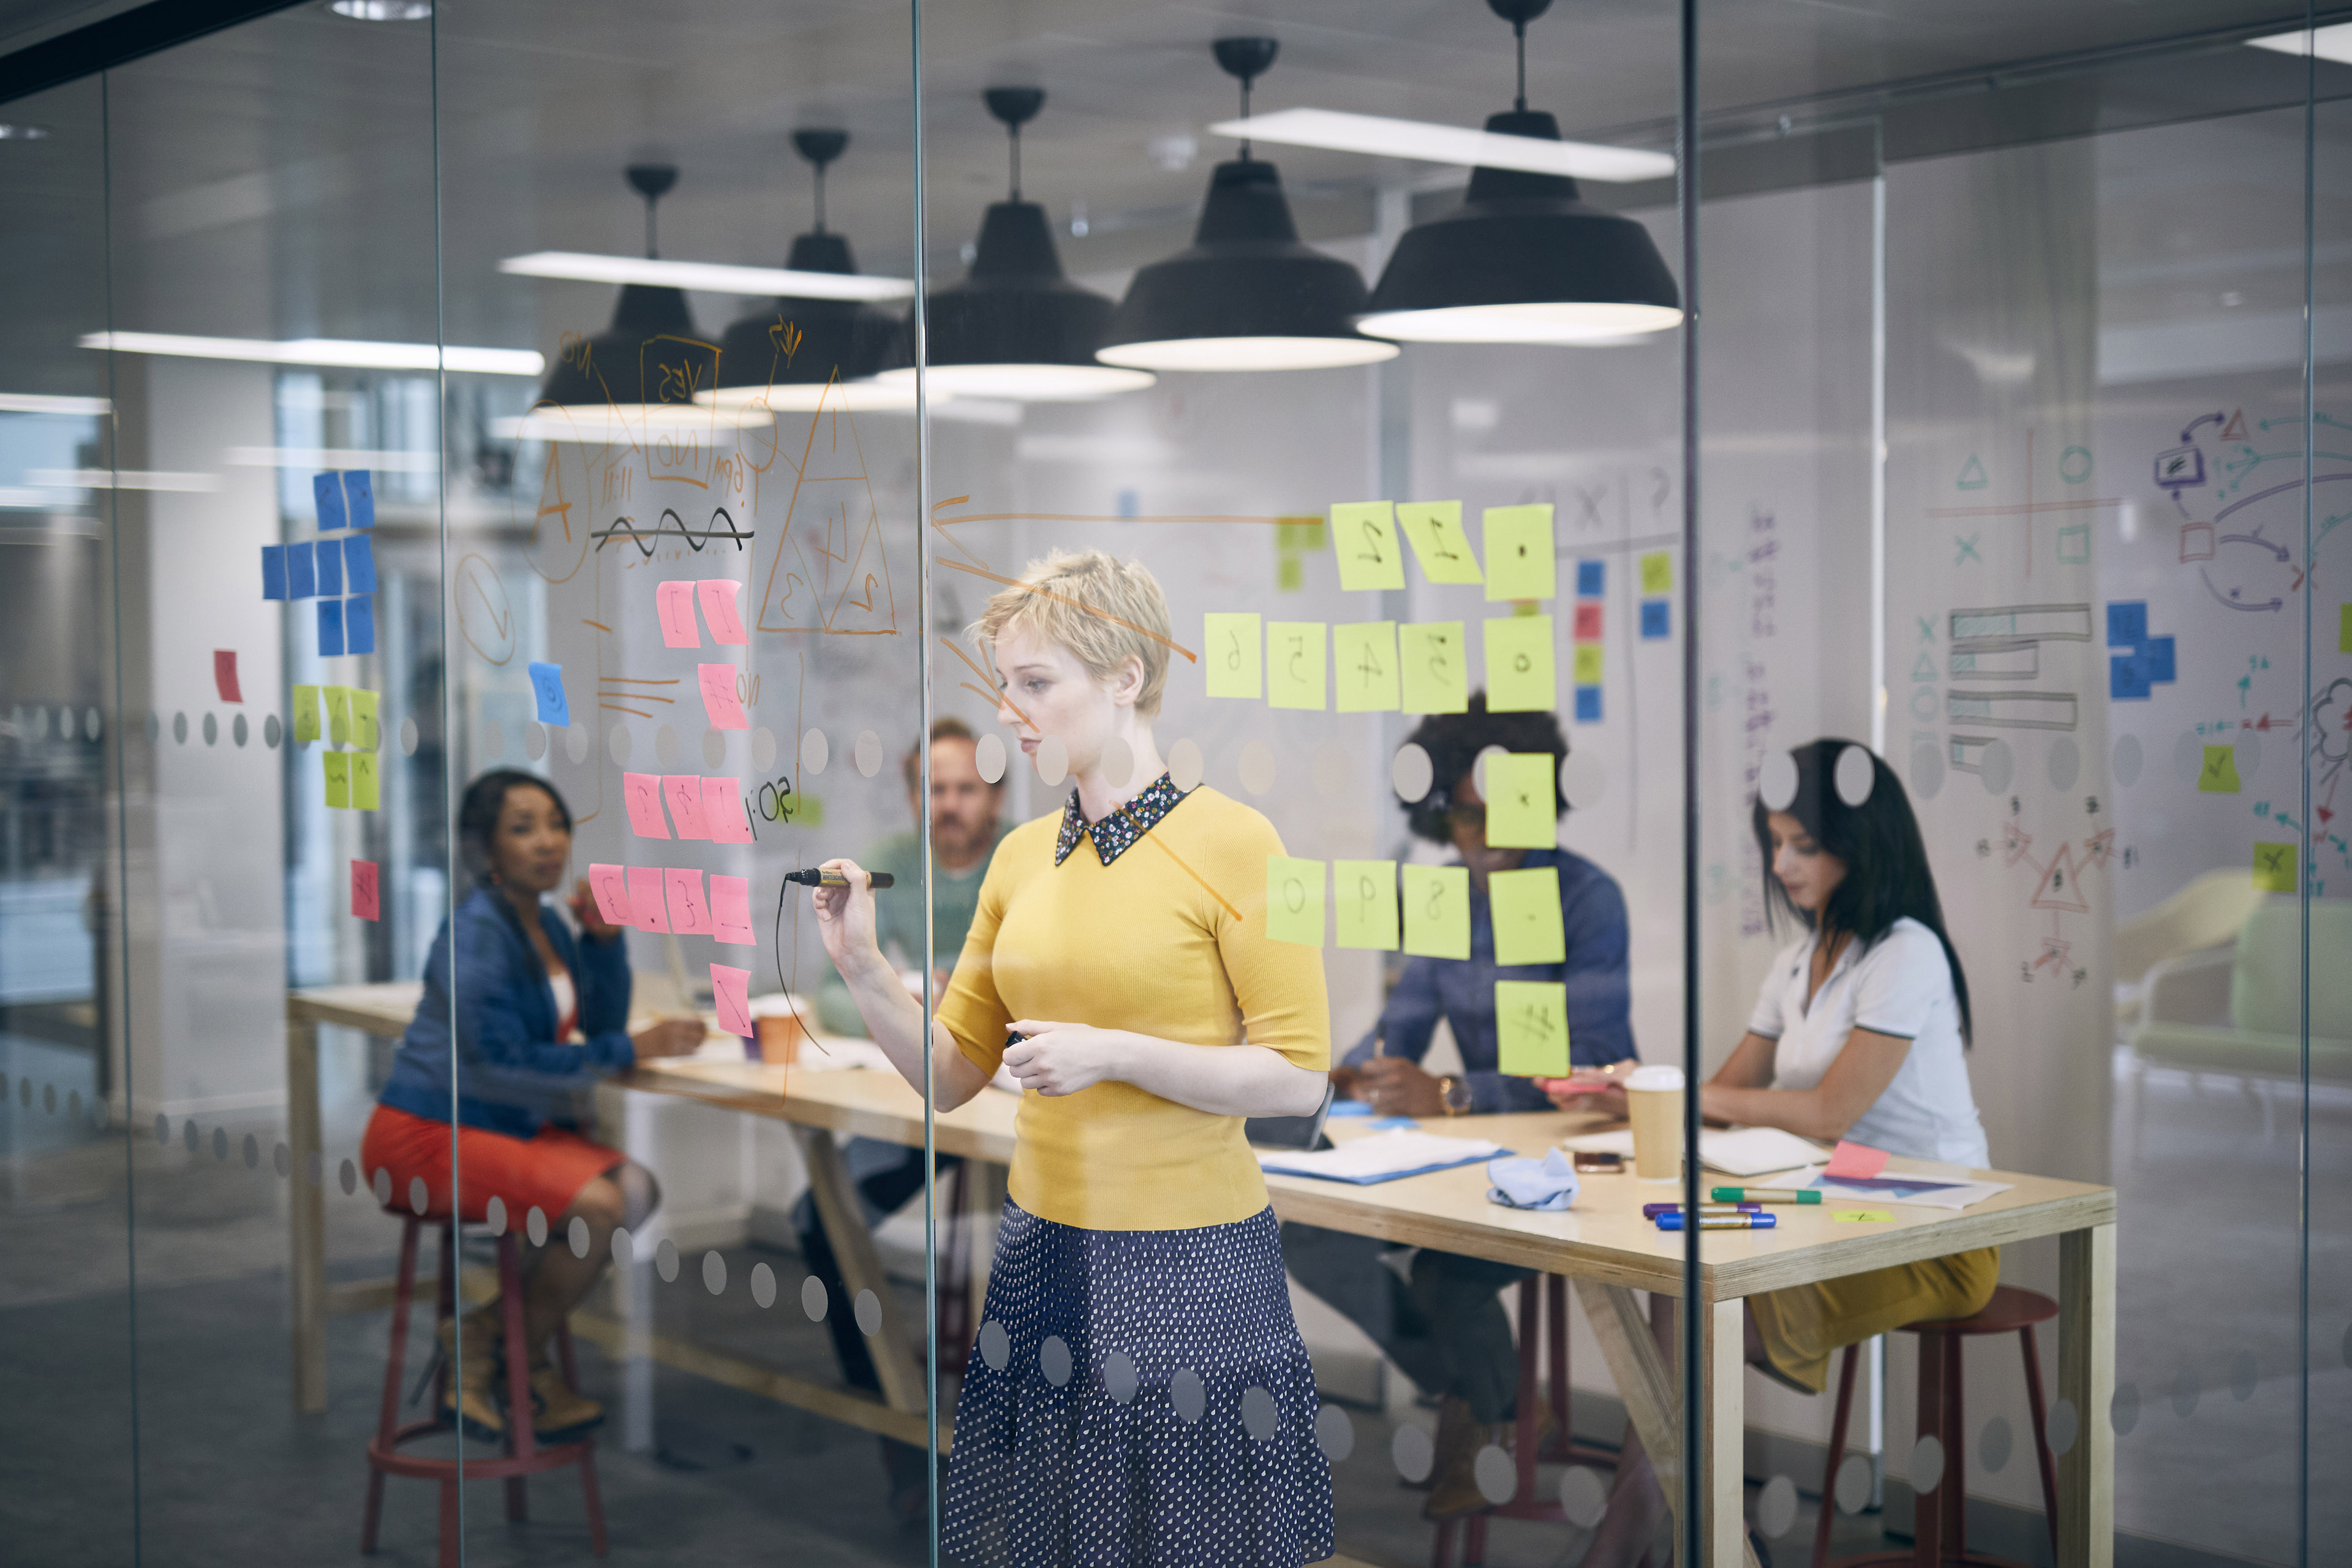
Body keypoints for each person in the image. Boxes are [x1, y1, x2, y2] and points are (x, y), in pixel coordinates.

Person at [810, 548, 1336, 1568]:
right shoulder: (1020, 857)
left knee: (1189, 1542)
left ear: (1126, 679)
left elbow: (1298, 1077)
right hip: (1047, 1242)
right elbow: (954, 1075)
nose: (1011, 709)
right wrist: (864, 967)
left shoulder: (1239, 840)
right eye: (1007, 683)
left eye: (1037, 682)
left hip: (1186, 1256)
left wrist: (1115, 1055)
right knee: (1068, 1538)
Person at [1558, 738, 1993, 1566]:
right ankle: (1695, 1535)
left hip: (1932, 1231)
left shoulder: (1908, 952)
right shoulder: (1798, 961)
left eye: (1805, 844)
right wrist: (1636, 1089)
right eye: (1775, 843)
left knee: (1680, 1333)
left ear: (1860, 847)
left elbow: (1829, 1111)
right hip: (1836, 1210)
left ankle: (1642, 1544)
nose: (1783, 863)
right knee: (1675, 1300)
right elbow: (1720, 1103)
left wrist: (1679, 1090)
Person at [1282, 695, 1637, 1518]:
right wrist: (1341, 1073)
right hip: (1479, 1152)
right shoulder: (1443, 895)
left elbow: (1591, 1071)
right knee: (1301, 1230)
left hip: (1573, 1156)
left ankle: (1484, 1407)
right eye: (1465, 816)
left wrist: (1453, 1093)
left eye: (1502, 811)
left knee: (1446, 1276)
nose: (1483, 834)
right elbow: (1400, 1029)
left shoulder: (1589, 901)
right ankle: (1489, 1393)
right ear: (1440, 813)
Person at [361, 769, 703, 1441]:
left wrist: (603, 944)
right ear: (486, 851)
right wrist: (634, 1047)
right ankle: (508, 1353)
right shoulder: (475, 933)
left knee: (636, 1188)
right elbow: (503, 1059)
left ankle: (496, 1343)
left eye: (555, 824)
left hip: (501, 1120)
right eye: (523, 829)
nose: (548, 843)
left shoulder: (543, 922)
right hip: (429, 1130)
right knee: (601, 1206)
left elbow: (593, 1025)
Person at [805, 717, 1008, 1525]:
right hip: (921, 1097)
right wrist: (904, 1003)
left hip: (1014, 1105)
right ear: (912, 792)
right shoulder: (890, 862)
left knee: (1030, 1263)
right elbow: (828, 994)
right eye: (935, 789)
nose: (950, 805)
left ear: (995, 793)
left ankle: (1010, 1459)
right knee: (819, 1217)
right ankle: (891, 1409)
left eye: (966, 788)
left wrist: (932, 1003)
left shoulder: (1024, 859)